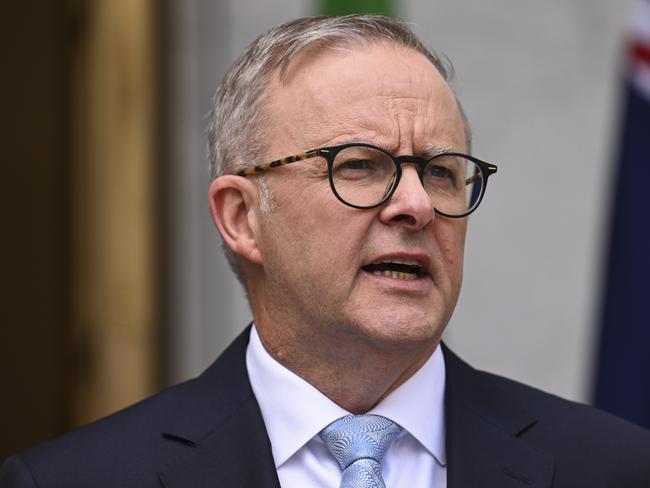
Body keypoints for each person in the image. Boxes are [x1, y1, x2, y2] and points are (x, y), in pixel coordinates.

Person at [1, 14, 649, 488]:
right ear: (241, 217)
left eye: (443, 171)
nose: (417, 205)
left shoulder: (615, 469)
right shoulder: (78, 481)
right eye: (361, 166)